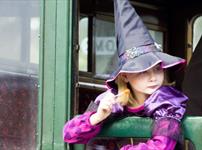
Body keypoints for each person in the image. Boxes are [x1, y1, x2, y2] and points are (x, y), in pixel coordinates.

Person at [63, 0, 188, 149]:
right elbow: (69, 134)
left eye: (158, 69)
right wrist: (98, 116)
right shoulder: (112, 100)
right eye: (143, 71)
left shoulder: (167, 103)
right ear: (125, 76)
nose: (153, 77)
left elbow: (162, 146)